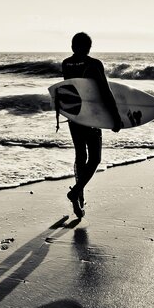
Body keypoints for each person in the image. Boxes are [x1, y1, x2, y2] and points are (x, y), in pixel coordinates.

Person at [61, 32, 122, 218]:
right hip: (92, 117)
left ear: (72, 47)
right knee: (95, 159)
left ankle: (79, 199)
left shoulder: (66, 64)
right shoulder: (94, 64)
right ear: (89, 48)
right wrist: (115, 116)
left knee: (80, 156)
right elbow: (105, 91)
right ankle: (75, 192)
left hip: (75, 117)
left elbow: (70, 92)